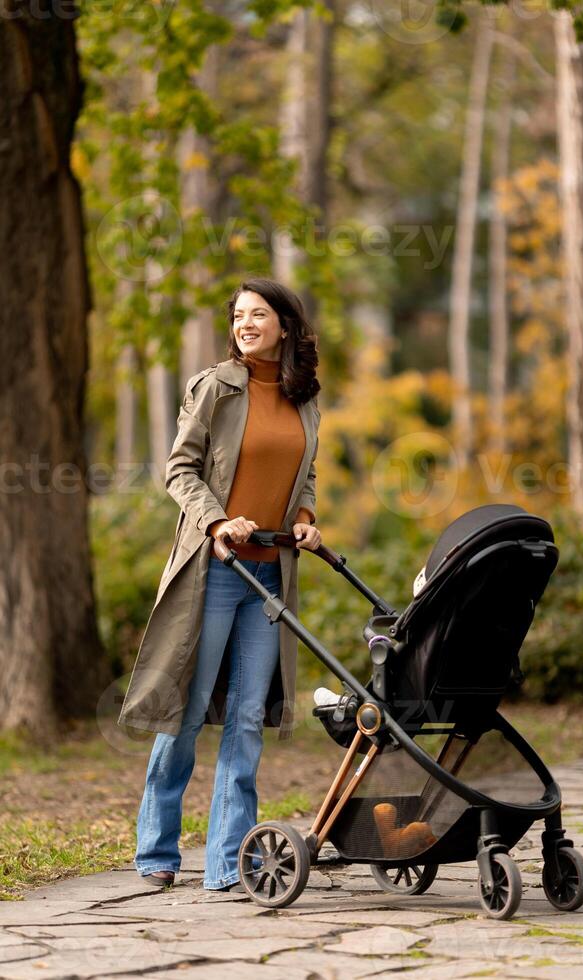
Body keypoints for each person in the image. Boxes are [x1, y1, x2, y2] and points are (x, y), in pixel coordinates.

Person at [134, 278, 321, 891]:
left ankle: (227, 863)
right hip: (215, 571)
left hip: (269, 573)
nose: (245, 323)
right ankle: (157, 853)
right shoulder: (216, 385)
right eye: (238, 315)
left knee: (245, 718)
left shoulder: (303, 396)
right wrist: (217, 519)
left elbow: (304, 471)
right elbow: (179, 469)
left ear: (285, 325)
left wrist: (303, 517)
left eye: (258, 314)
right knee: (184, 715)